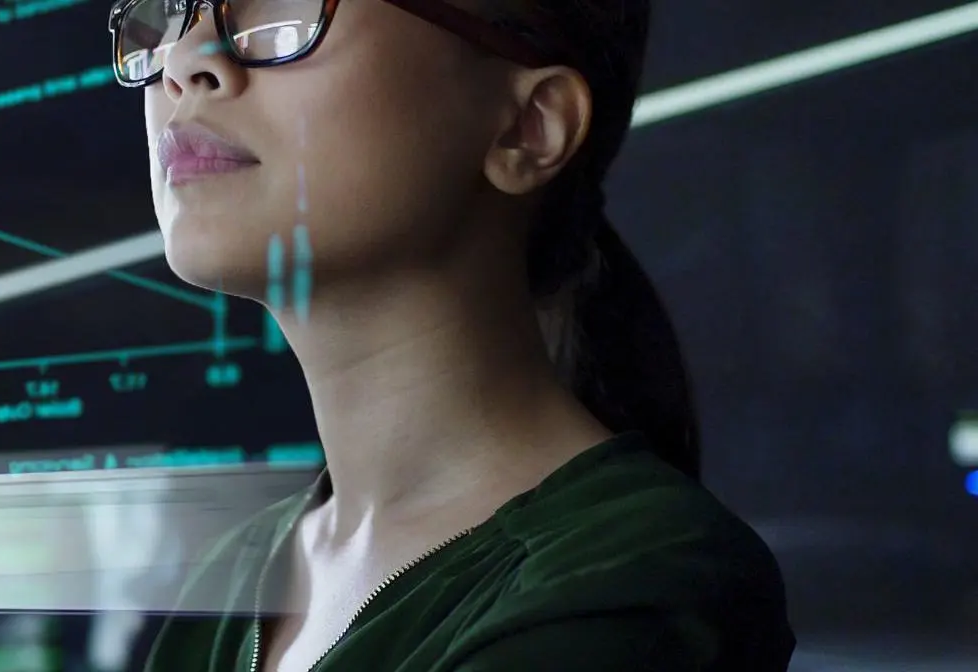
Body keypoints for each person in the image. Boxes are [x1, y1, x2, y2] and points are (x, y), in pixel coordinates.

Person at [109, 0, 795, 669]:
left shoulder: (632, 585)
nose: (185, 60)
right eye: (175, 8)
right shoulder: (231, 575)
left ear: (528, 126)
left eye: (281, 6)